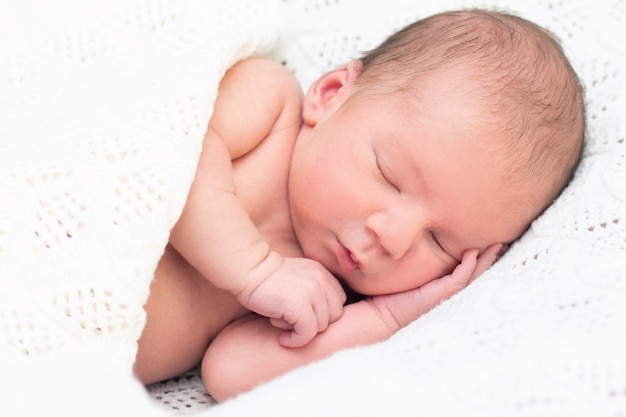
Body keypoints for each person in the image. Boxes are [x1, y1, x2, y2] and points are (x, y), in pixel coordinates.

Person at [134, 8, 585, 401]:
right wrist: (256, 271)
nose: (395, 238)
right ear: (331, 95)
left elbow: (228, 373)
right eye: (390, 176)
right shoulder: (271, 104)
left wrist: (386, 316)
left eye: (440, 243)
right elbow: (168, 151)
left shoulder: (322, 296)